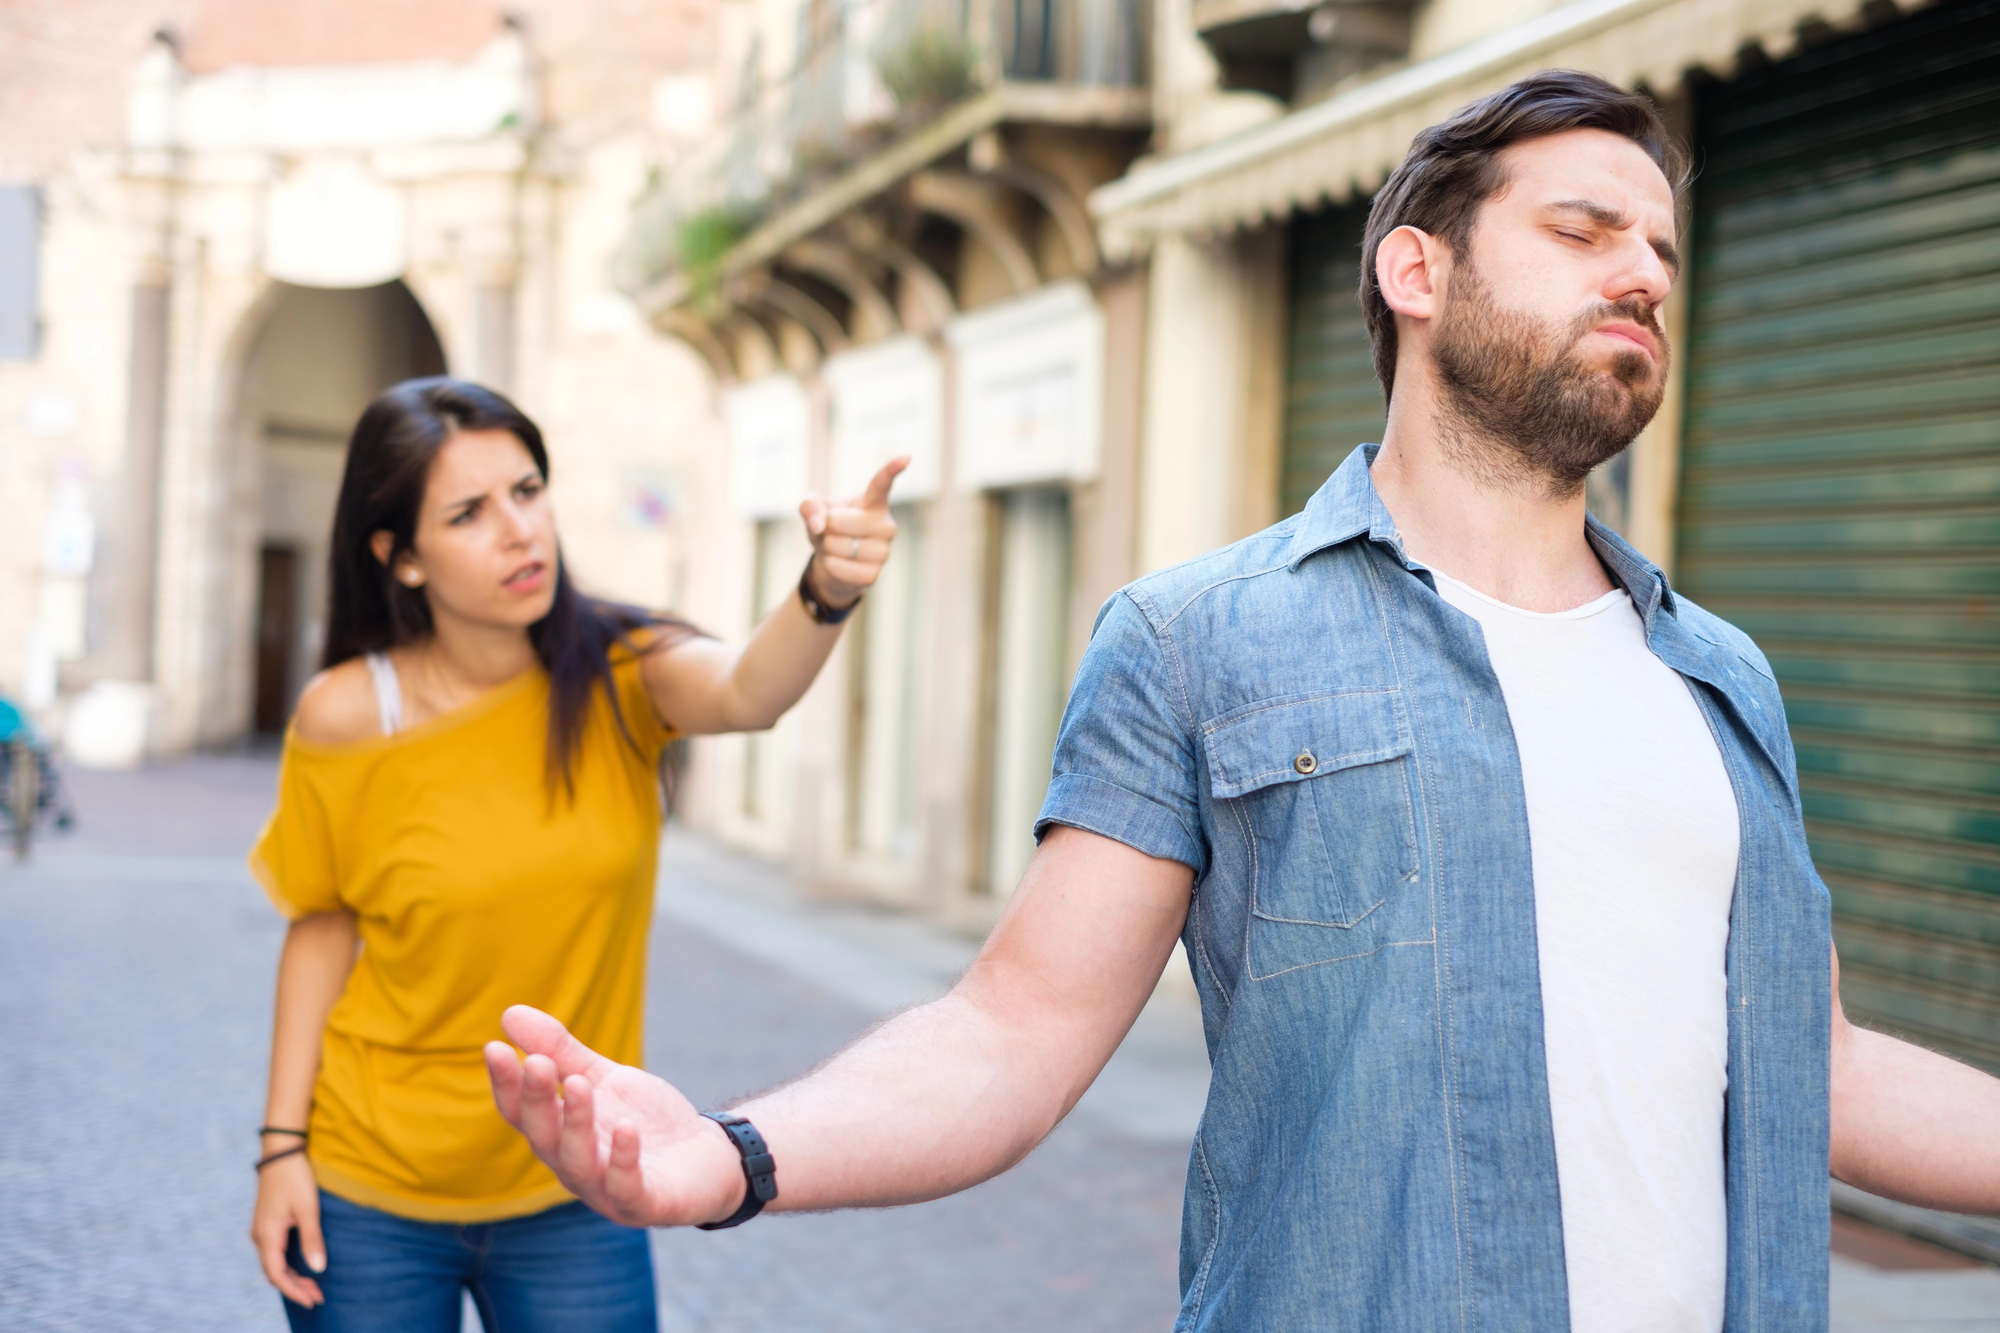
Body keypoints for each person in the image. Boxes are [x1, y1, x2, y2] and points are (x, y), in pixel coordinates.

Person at [485, 72, 2000, 1331]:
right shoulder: (1201, 639)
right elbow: (1016, 1026)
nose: (1643, 277)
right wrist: (737, 1153)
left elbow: (1821, 1068)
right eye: (1585, 231)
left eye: (1662, 252)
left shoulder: (1718, 676)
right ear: (1420, 271)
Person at [248, 376, 905, 1331]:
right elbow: (322, 924)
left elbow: (746, 690)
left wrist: (825, 591)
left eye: (526, 490)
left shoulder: (620, 672)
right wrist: (280, 1151)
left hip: (578, 1183)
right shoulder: (349, 715)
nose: (520, 530)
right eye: (469, 513)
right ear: (402, 557)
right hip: (370, 1188)